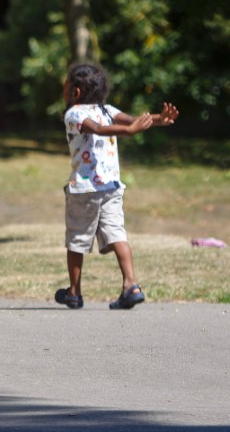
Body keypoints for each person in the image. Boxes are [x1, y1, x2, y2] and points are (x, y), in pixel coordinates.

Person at [58, 62, 179, 310]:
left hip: (85, 190)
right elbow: (127, 122)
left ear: (76, 92)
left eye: (67, 85)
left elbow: (106, 128)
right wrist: (144, 124)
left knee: (77, 240)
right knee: (117, 234)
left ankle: (74, 292)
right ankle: (131, 285)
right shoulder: (107, 110)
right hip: (112, 188)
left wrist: (155, 120)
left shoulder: (73, 113)